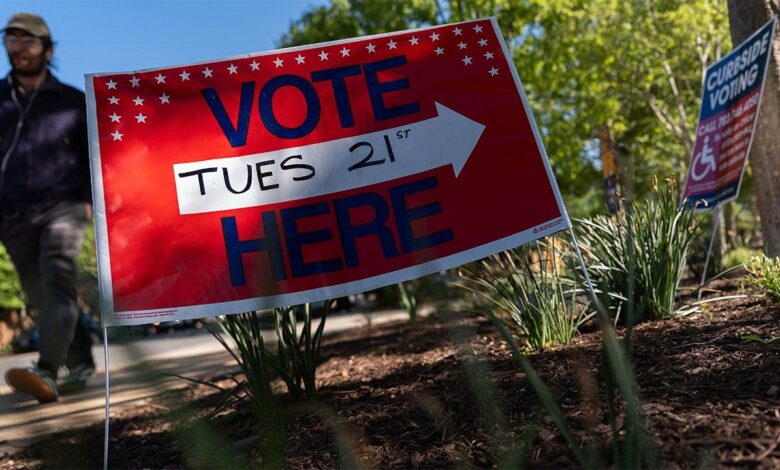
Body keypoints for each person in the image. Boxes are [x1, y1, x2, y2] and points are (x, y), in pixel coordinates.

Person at [1, 12, 95, 403]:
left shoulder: (74, 103)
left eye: (28, 40)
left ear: (47, 49)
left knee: (56, 275)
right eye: (12, 39)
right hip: (12, 215)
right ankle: (81, 359)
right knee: (39, 293)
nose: (18, 48)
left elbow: (95, 156)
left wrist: (90, 201)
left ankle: (46, 371)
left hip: (64, 208)